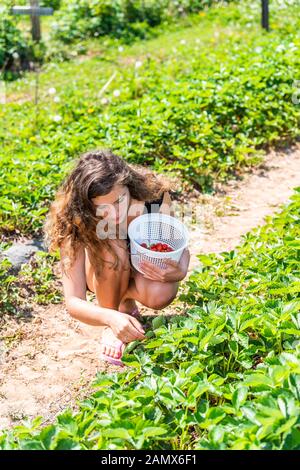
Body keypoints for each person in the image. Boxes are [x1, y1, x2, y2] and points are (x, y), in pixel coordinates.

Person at [43, 148, 190, 366]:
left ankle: (126, 305)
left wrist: (181, 269)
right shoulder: (74, 219)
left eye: (120, 199)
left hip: (140, 269)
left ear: (129, 186)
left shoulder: (154, 198)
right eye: (102, 206)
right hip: (102, 272)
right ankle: (114, 317)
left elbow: (179, 246)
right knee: (112, 242)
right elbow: (73, 302)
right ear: (86, 205)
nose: (115, 211)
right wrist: (109, 318)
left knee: (161, 293)